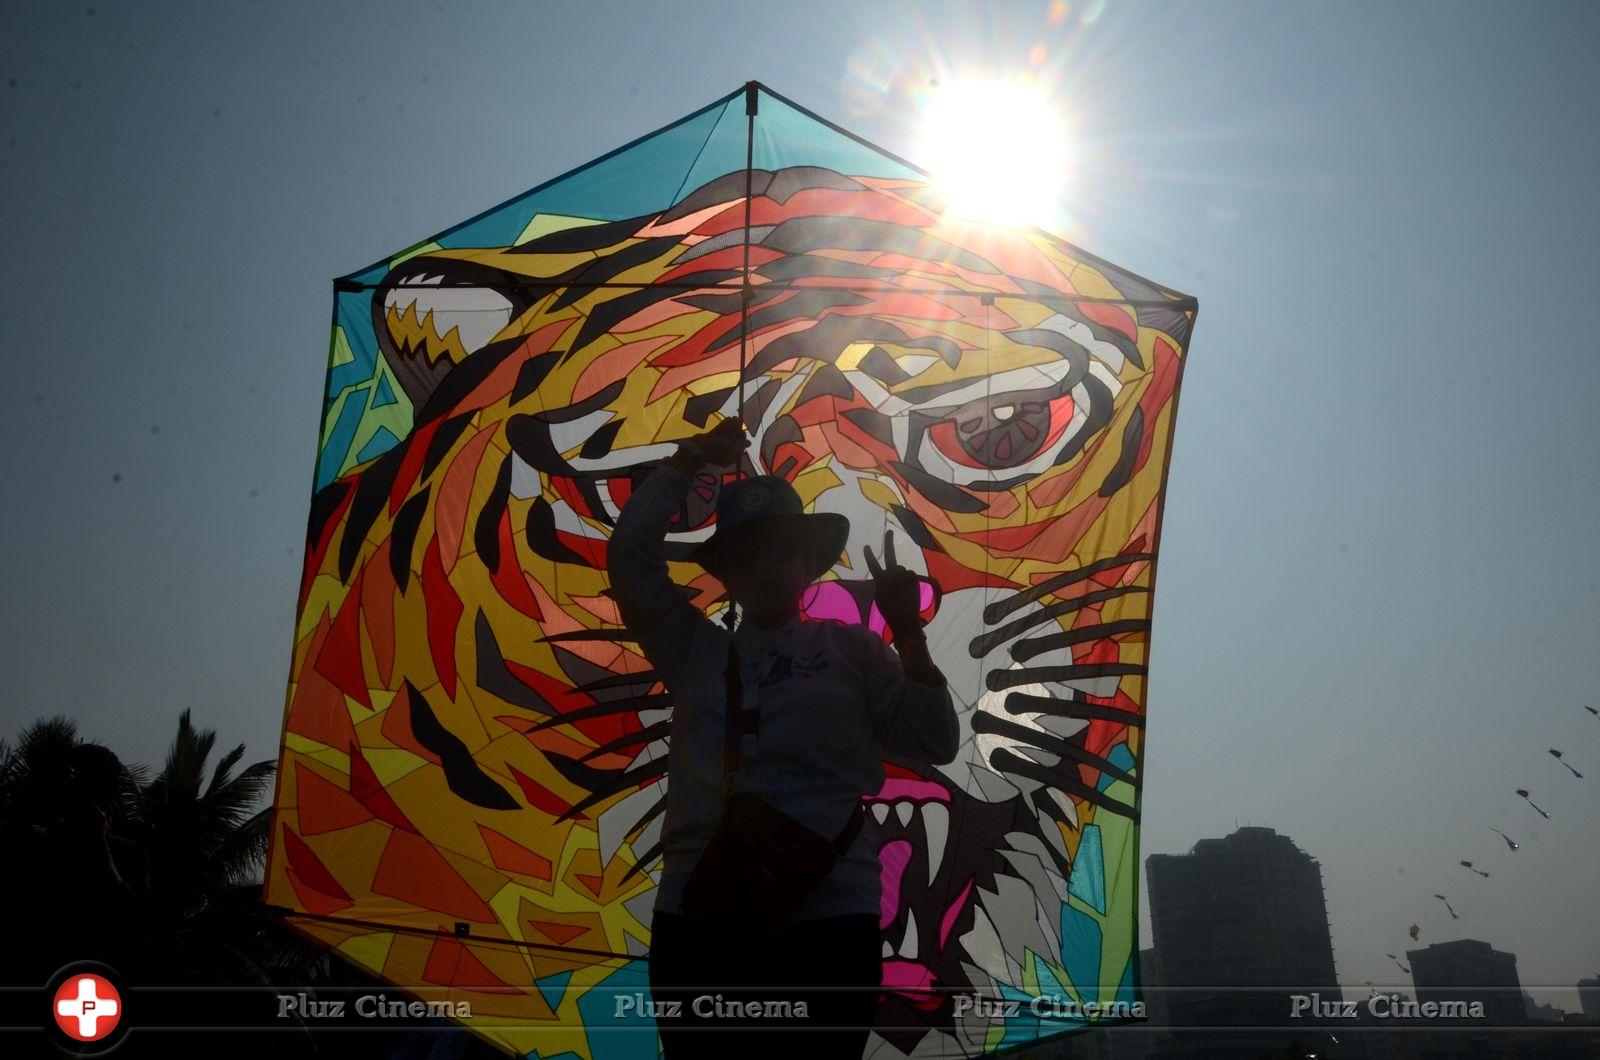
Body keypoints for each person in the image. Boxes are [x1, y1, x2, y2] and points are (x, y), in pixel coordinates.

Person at [607, 417, 959, 1059]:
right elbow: (629, 556)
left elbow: (933, 739)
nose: (767, 565)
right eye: (746, 554)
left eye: (782, 548)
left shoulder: (854, 649)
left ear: (808, 561)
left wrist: (909, 637)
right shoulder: (692, 652)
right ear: (727, 573)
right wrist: (686, 464)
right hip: (700, 913)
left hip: (833, 916)